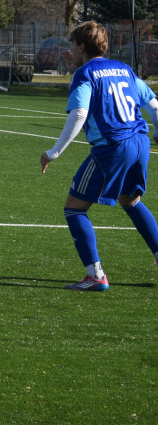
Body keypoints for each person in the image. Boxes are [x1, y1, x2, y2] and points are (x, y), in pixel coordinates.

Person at [40, 21, 158, 291]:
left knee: (74, 207)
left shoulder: (84, 74)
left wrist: (53, 152)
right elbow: (154, 105)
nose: (71, 51)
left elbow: (79, 114)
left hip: (113, 147)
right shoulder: (124, 69)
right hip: (140, 143)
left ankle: (95, 276)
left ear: (82, 46)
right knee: (130, 200)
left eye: (73, 45)